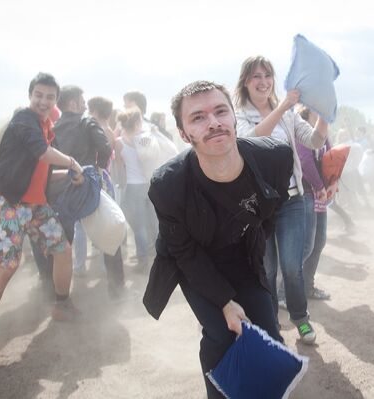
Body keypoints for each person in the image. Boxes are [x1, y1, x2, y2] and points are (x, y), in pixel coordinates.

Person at [143, 80, 292, 399]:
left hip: (243, 253)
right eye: (198, 117)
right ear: (184, 134)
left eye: (221, 111)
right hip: (195, 260)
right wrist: (224, 302)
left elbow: (270, 209)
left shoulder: (275, 158)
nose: (213, 122)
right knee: (222, 334)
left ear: (234, 118)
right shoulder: (168, 184)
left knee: (266, 331)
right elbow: (183, 251)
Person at [0, 72, 84, 362]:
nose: (44, 101)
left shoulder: (46, 126)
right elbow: (44, 154)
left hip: (36, 206)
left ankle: (61, 304)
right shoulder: (24, 119)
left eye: (50, 97)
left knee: (63, 250)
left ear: (56, 100)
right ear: (30, 96)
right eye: (39, 95)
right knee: (7, 266)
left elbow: (42, 168)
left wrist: (71, 174)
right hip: (10, 203)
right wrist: (72, 162)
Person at [234, 55, 329, 344]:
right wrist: (284, 106)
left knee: (291, 265)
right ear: (246, 82)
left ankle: (301, 320)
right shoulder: (238, 114)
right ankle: (271, 324)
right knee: (267, 269)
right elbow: (248, 141)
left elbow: (313, 140)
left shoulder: (286, 113)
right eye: (256, 77)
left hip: (292, 201)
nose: (263, 82)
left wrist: (325, 114)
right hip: (259, 206)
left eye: (267, 75)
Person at [114, 108, 157, 273]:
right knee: (153, 222)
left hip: (132, 187)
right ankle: (158, 255)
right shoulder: (145, 139)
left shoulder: (119, 142)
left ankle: (142, 261)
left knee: (139, 227)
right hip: (148, 184)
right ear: (138, 122)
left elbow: (119, 167)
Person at [297, 107, 332, 300]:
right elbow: (305, 161)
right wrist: (319, 186)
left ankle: (308, 287)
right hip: (306, 193)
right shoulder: (301, 130)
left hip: (320, 195)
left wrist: (333, 183)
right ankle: (283, 289)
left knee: (319, 242)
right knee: (305, 246)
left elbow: (332, 157)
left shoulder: (323, 133)